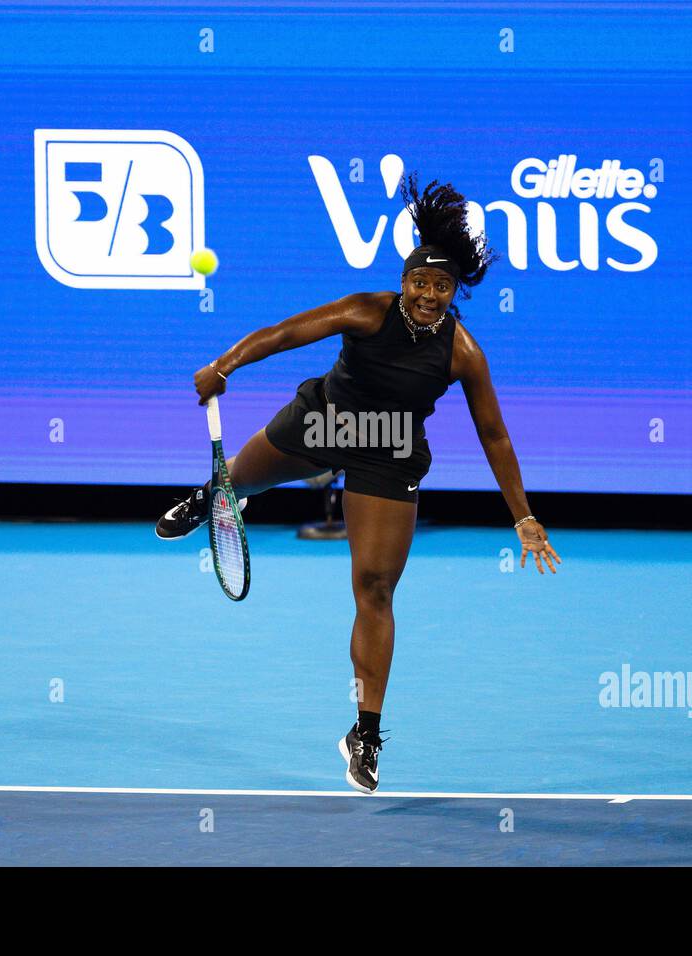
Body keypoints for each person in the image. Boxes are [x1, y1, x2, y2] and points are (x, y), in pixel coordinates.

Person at [157, 173, 560, 792]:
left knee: (375, 588)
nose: (429, 294)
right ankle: (211, 496)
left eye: (442, 287)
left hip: (390, 455)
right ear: (403, 285)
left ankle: (365, 733)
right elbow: (286, 333)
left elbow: (495, 436)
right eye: (420, 283)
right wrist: (223, 365)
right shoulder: (366, 312)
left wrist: (523, 516)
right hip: (325, 420)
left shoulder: (463, 354)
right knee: (241, 480)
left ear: (455, 293)